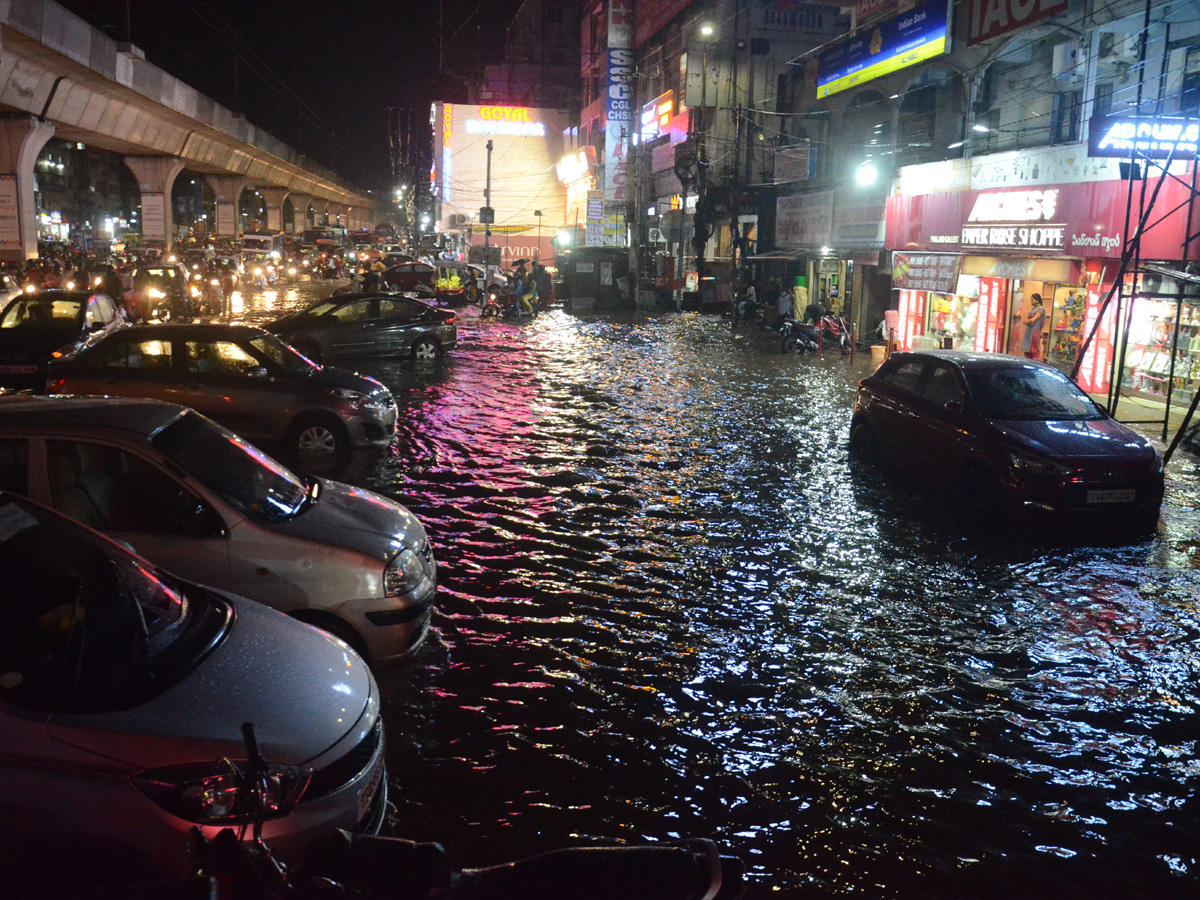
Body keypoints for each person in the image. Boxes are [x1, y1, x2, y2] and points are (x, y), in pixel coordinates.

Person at [1023, 293, 1046, 359]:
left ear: (1037, 300)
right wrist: (1029, 321)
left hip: (1035, 332)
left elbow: (1033, 320)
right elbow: (1027, 320)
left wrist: (1029, 321)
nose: (1031, 302)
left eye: (1032, 300)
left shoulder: (1041, 310)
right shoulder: (1031, 309)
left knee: (1035, 351)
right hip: (1029, 332)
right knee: (1027, 351)